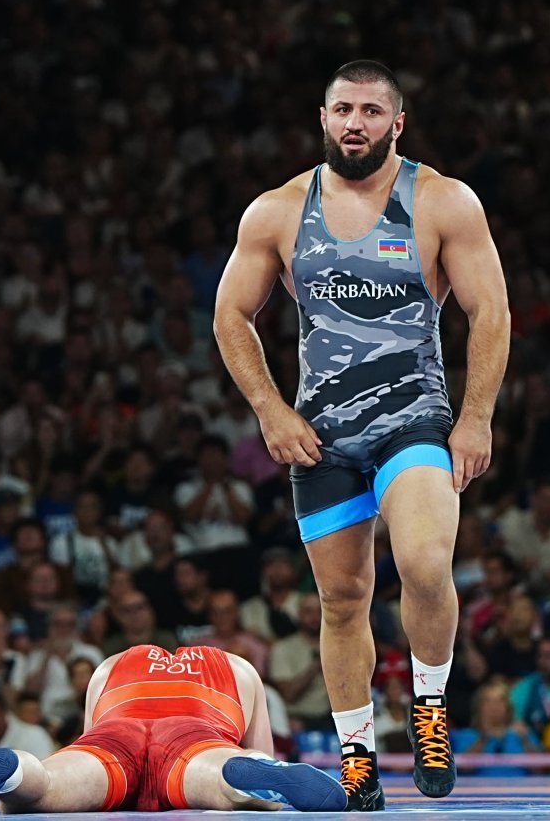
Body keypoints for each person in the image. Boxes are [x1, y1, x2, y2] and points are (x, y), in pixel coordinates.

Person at [213, 60, 510, 806]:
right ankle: (355, 752)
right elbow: (230, 316)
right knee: (342, 600)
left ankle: (431, 703)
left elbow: (491, 313)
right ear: (322, 118)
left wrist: (474, 418)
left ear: (397, 123)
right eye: (343, 110)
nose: (355, 124)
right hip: (323, 437)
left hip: (413, 420)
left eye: (371, 112)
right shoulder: (278, 212)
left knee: (423, 562)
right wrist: (270, 411)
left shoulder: (441, 201)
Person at [0, 645, 345, 816]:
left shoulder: (109, 665)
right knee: (235, 776)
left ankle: (14, 771)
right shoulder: (239, 668)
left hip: (118, 729)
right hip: (193, 734)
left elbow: (93, 737)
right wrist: (260, 782)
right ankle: (235, 781)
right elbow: (258, 748)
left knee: (48, 786)